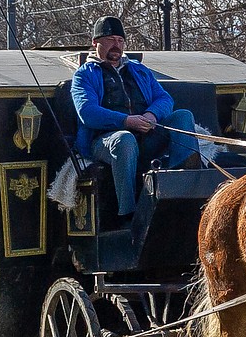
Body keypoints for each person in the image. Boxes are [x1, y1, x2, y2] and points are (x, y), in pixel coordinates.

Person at [71, 16, 204, 223]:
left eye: (120, 40)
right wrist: (127, 121)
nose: (116, 45)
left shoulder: (139, 70)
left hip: (146, 136)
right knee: (124, 139)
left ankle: (185, 188)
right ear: (95, 43)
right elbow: (88, 113)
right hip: (105, 140)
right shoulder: (84, 75)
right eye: (110, 39)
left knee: (183, 116)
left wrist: (151, 115)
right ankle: (129, 214)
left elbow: (164, 98)